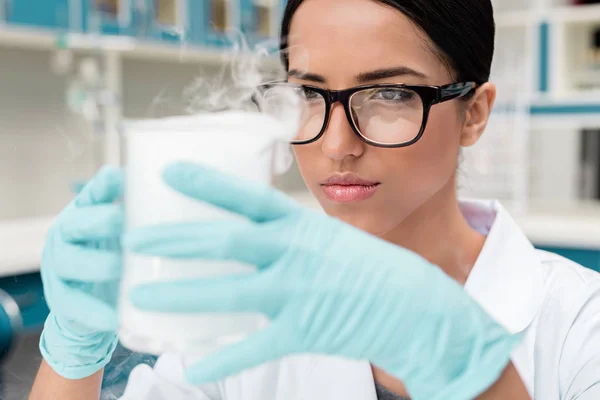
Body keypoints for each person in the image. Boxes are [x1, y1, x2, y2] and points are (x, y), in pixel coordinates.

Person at [29, 0, 600, 399]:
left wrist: (468, 370)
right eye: (307, 93)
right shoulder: (244, 313)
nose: (336, 144)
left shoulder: (581, 325)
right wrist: (73, 354)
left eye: (389, 94)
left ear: (473, 112)